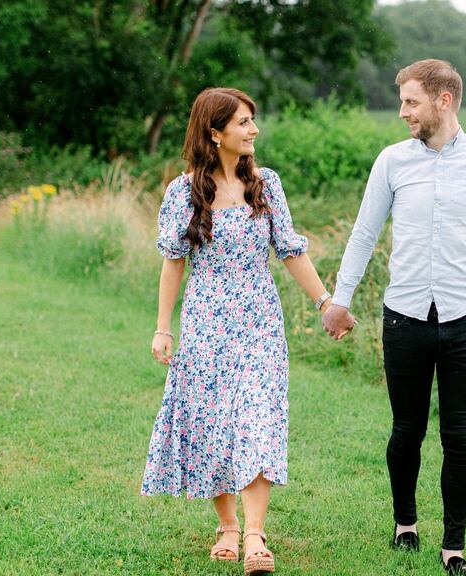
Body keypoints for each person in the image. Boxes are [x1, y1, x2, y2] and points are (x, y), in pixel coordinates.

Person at [322, 59, 466, 575]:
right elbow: (363, 234)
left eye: (411, 102)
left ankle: (453, 545)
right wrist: (339, 300)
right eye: (402, 101)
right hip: (405, 316)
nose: (402, 112)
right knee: (406, 429)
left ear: (444, 100)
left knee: (459, 435)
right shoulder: (391, 162)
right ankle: (405, 523)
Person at [142, 87, 341, 576]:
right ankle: (227, 525)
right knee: (212, 425)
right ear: (215, 133)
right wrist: (163, 329)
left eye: (253, 121)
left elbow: (290, 251)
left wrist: (325, 301)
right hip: (207, 322)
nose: (254, 130)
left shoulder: (266, 184)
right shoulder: (183, 191)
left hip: (260, 321)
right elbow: (173, 263)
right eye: (244, 122)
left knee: (257, 419)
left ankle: (255, 534)